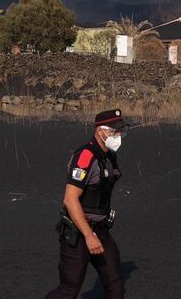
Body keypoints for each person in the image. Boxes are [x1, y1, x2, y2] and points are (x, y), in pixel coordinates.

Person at [44, 109, 128, 299]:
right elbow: (70, 199)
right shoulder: (85, 157)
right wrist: (89, 236)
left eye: (121, 130)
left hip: (102, 229)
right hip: (79, 233)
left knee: (115, 287)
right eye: (115, 131)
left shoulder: (109, 156)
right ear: (100, 131)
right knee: (69, 290)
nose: (119, 135)